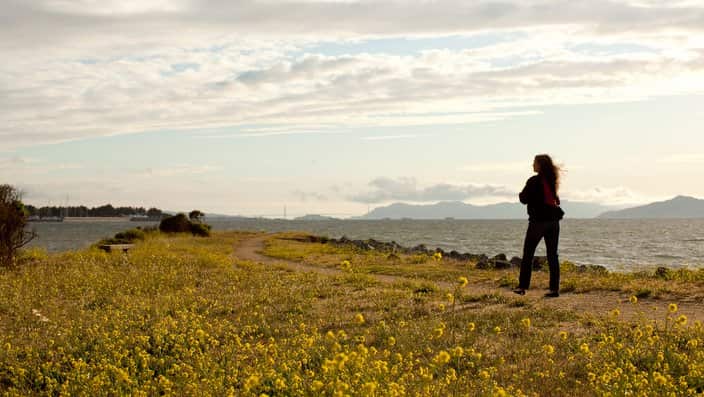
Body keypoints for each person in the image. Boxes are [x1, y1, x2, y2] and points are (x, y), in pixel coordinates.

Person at [513, 154, 564, 298]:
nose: (532, 165)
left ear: (540, 165)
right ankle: (554, 289)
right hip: (554, 221)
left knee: (528, 254)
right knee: (552, 255)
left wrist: (520, 194)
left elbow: (523, 199)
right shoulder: (551, 181)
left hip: (538, 222)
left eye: (534, 163)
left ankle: (522, 287)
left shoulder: (534, 181)